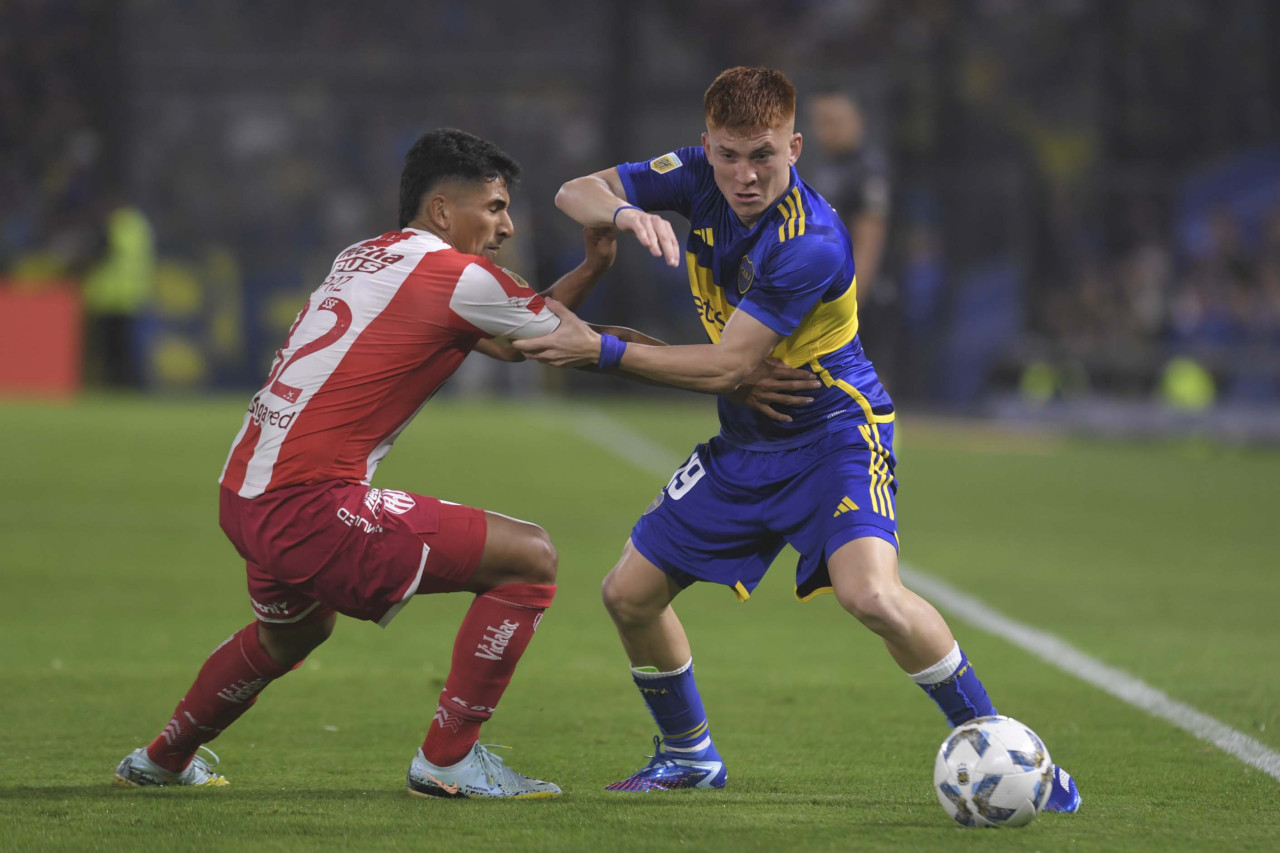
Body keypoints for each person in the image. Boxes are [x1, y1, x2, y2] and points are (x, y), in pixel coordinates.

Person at [515, 67, 1081, 811]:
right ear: (707, 145)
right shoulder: (696, 176)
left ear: (796, 146)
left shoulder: (810, 241)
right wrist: (625, 217)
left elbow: (729, 364)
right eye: (729, 154)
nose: (746, 176)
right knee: (628, 594)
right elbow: (572, 191)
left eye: (765, 155)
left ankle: (1010, 752)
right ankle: (689, 756)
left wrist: (599, 351)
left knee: (872, 595)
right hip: (749, 439)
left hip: (835, 433)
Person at [114, 128, 623, 799]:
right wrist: (726, 371)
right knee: (531, 558)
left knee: (289, 632)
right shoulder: (459, 274)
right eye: (495, 207)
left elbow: (508, 344)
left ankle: (162, 757)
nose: (505, 226)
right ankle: (447, 760)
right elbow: (567, 343)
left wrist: (589, 269)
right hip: (308, 502)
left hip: (244, 490)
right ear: (443, 210)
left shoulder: (364, 254)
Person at [807, 87, 897, 384]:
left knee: (866, 368)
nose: (827, 130)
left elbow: (871, 233)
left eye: (835, 121)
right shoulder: (827, 167)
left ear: (858, 120)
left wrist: (854, 297)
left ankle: (880, 429)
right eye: (820, 122)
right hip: (830, 284)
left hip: (859, 289)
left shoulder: (867, 169)